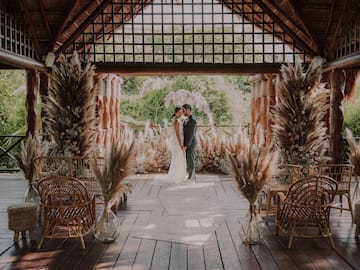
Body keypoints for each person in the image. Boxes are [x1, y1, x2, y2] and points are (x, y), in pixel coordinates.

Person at [165, 107, 187, 184]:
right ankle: (177, 177)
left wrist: (184, 111)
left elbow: (186, 117)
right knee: (178, 158)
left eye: (182, 112)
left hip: (179, 140)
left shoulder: (178, 119)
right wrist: (181, 145)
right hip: (178, 141)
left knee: (180, 158)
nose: (181, 114)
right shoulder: (177, 121)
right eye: (179, 112)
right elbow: (177, 134)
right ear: (175, 113)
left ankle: (179, 176)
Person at [182, 104, 197, 180]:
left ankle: (191, 176)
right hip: (187, 143)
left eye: (183, 110)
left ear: (188, 110)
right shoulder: (186, 119)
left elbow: (191, 134)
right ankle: (190, 175)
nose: (182, 112)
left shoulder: (192, 120)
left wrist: (186, 145)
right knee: (188, 159)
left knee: (190, 159)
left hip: (191, 143)